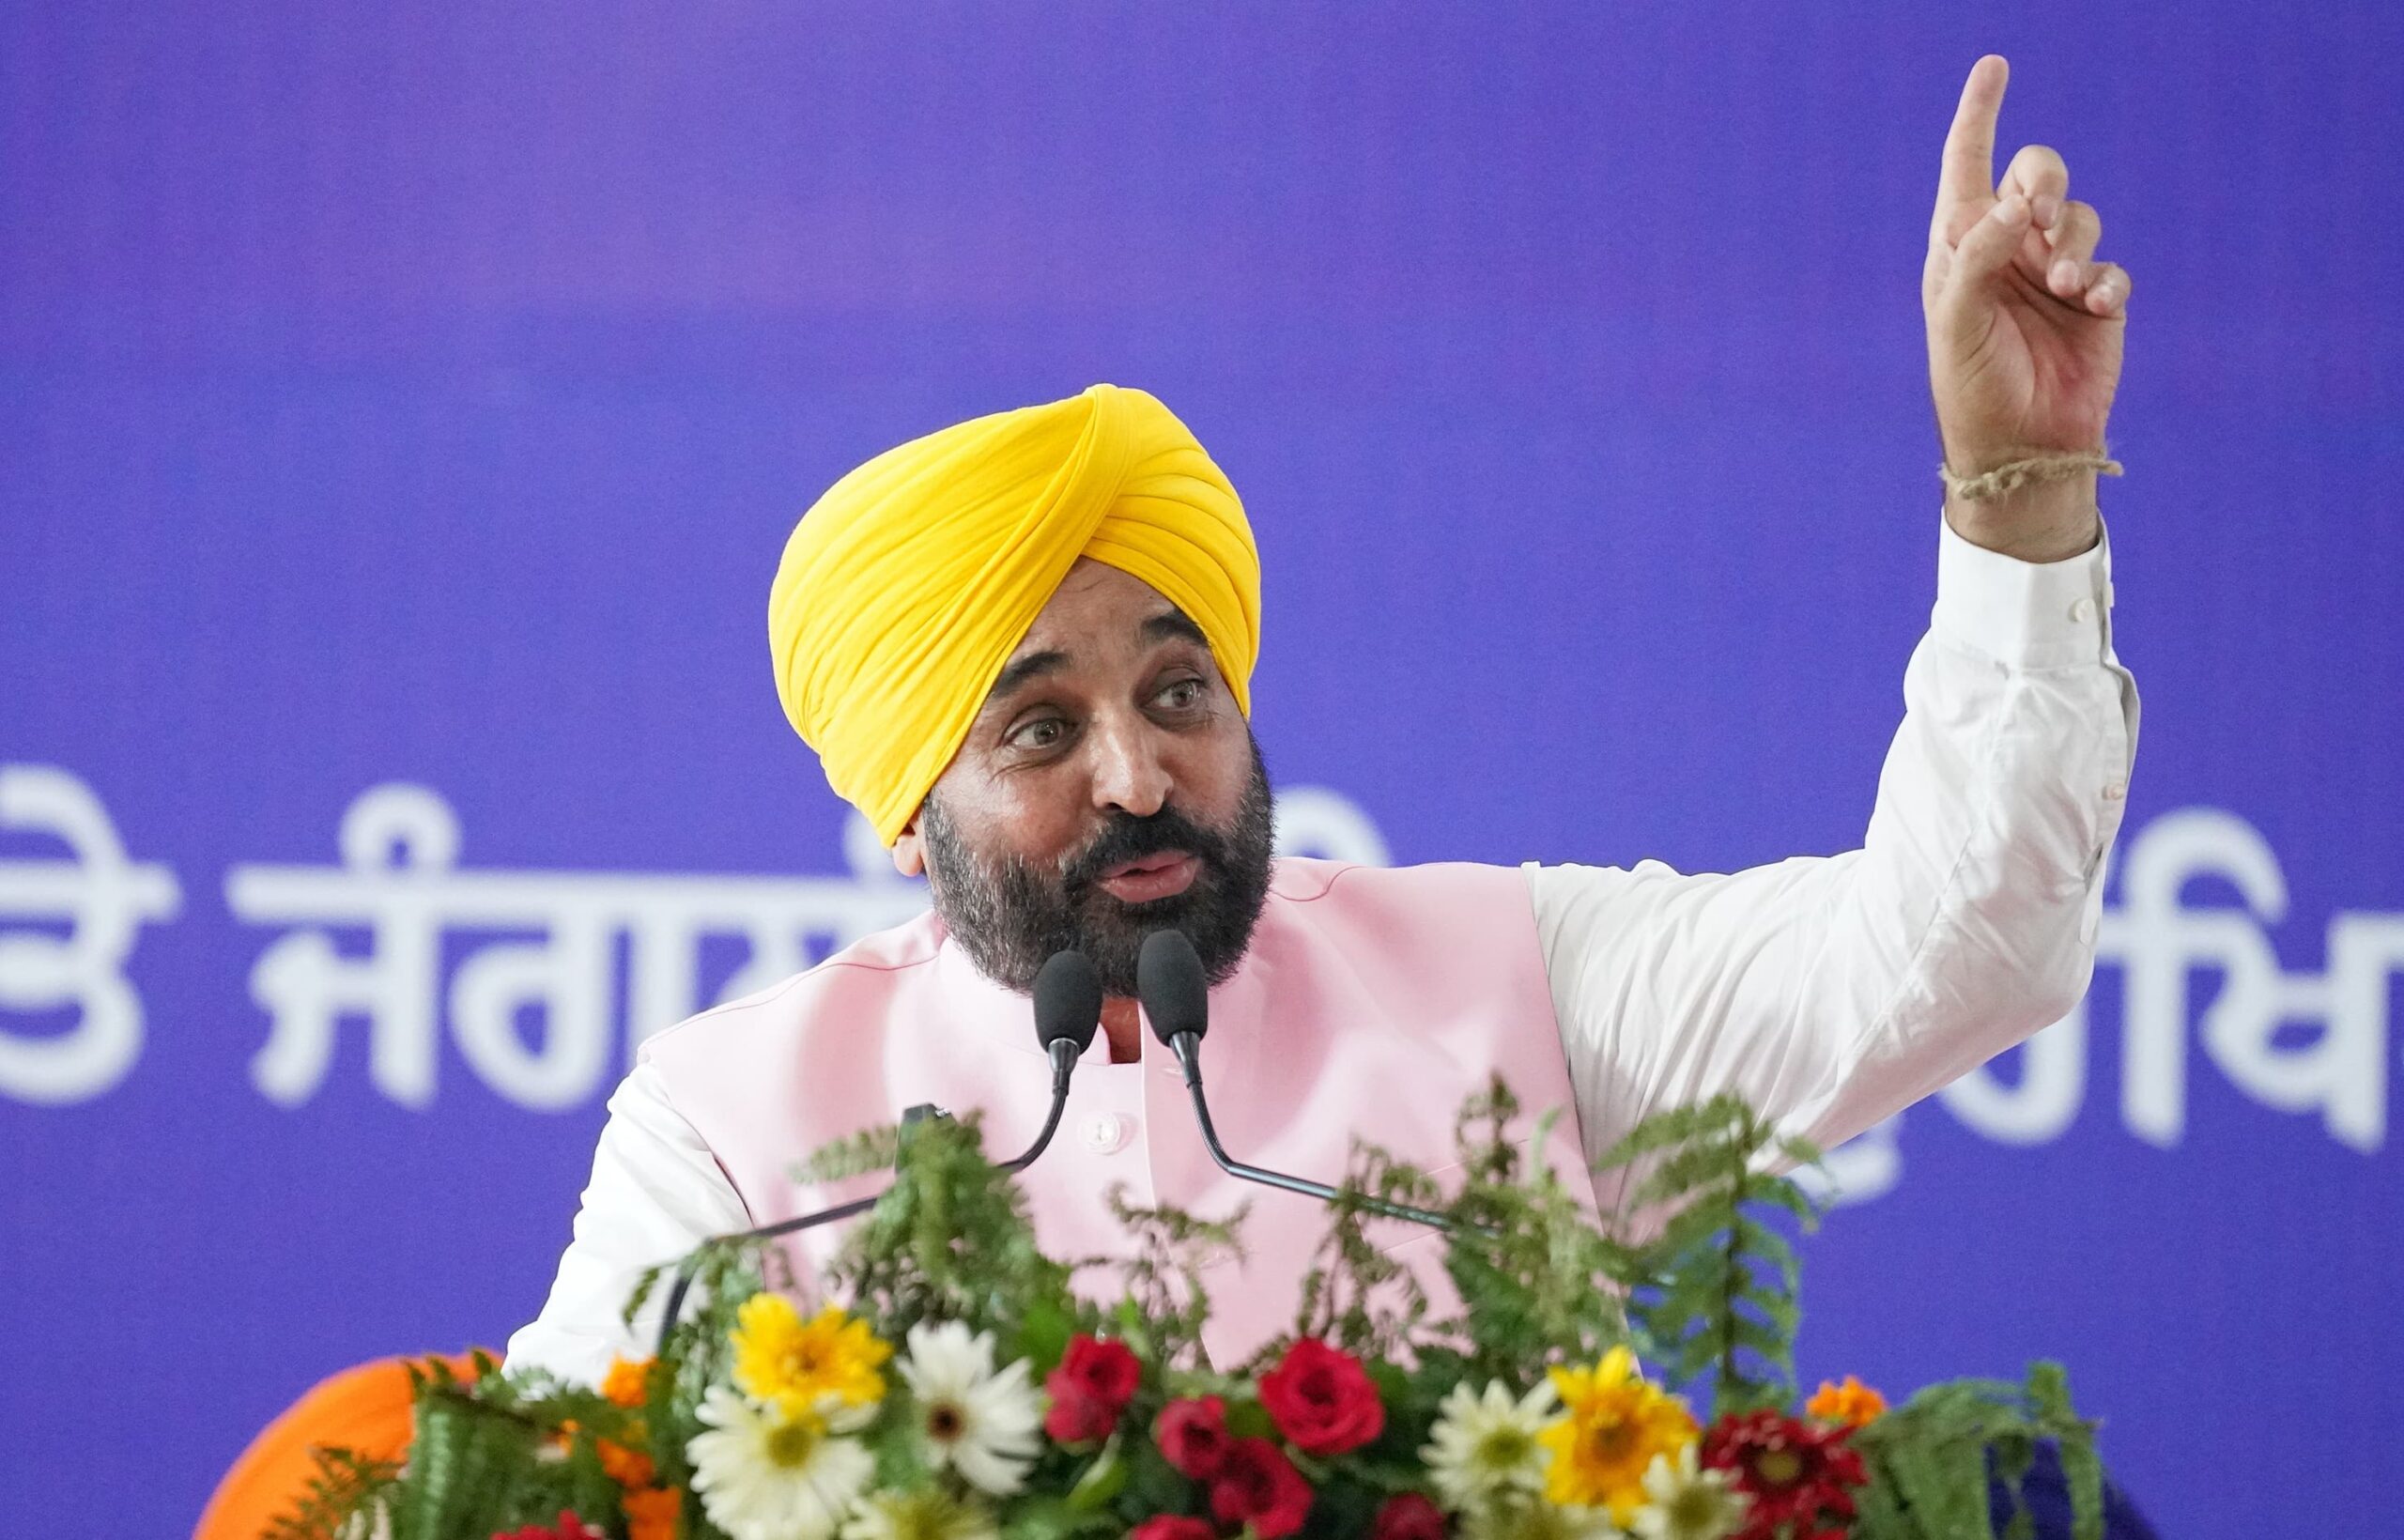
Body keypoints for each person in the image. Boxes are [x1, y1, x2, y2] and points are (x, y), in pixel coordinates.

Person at [506, 54, 2139, 1380]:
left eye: (1178, 693)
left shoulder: (1511, 996)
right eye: (1040, 731)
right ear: (906, 819)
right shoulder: (732, 1129)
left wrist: (2022, 495)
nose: (1138, 776)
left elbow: (1960, 945)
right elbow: (557, 1485)